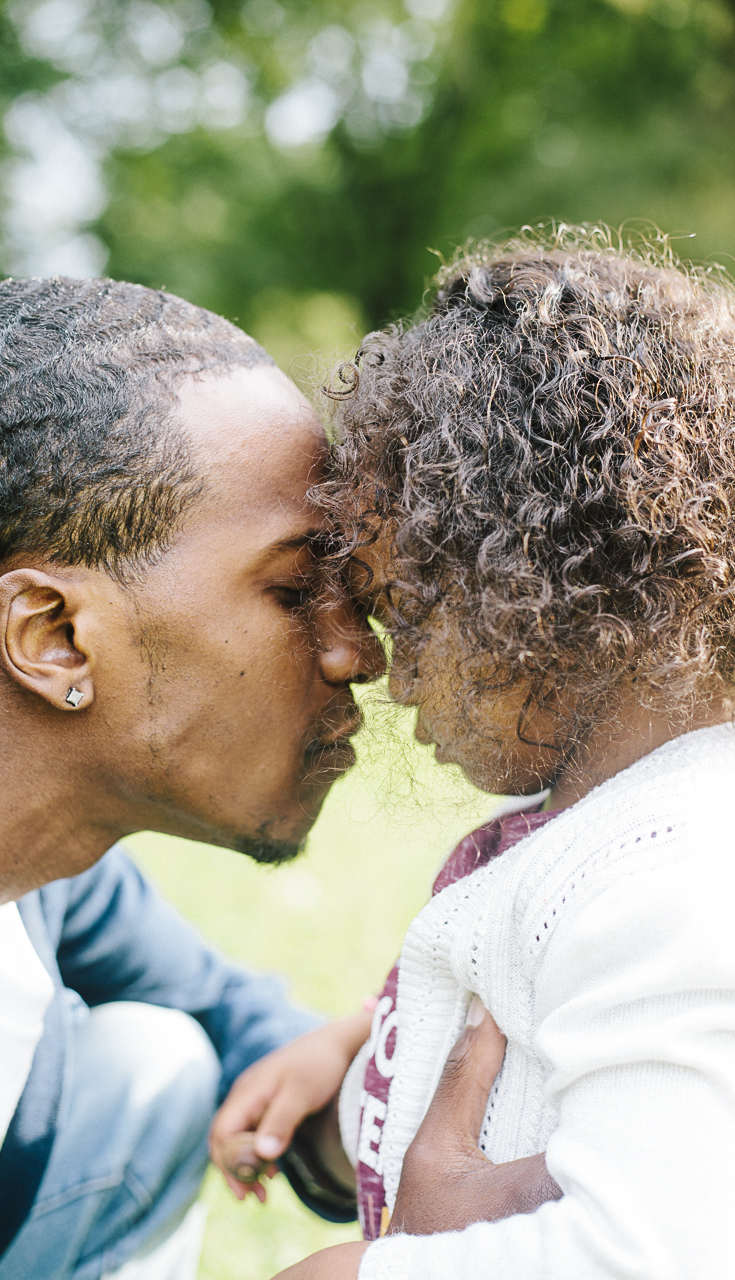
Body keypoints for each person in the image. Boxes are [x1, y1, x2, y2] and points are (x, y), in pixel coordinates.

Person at [209, 234, 735, 1279]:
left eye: (407, 614)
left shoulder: (672, 878)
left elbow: (663, 1251)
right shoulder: (628, 836)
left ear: (555, 586)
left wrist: (348, 1273)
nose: (392, 679)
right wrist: (356, 1046)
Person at [0, 276, 384, 1280]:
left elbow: (229, 1020)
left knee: (154, 1065)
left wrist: (378, 1075)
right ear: (56, 636)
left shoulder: (35, 844)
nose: (355, 652)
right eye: (293, 590)